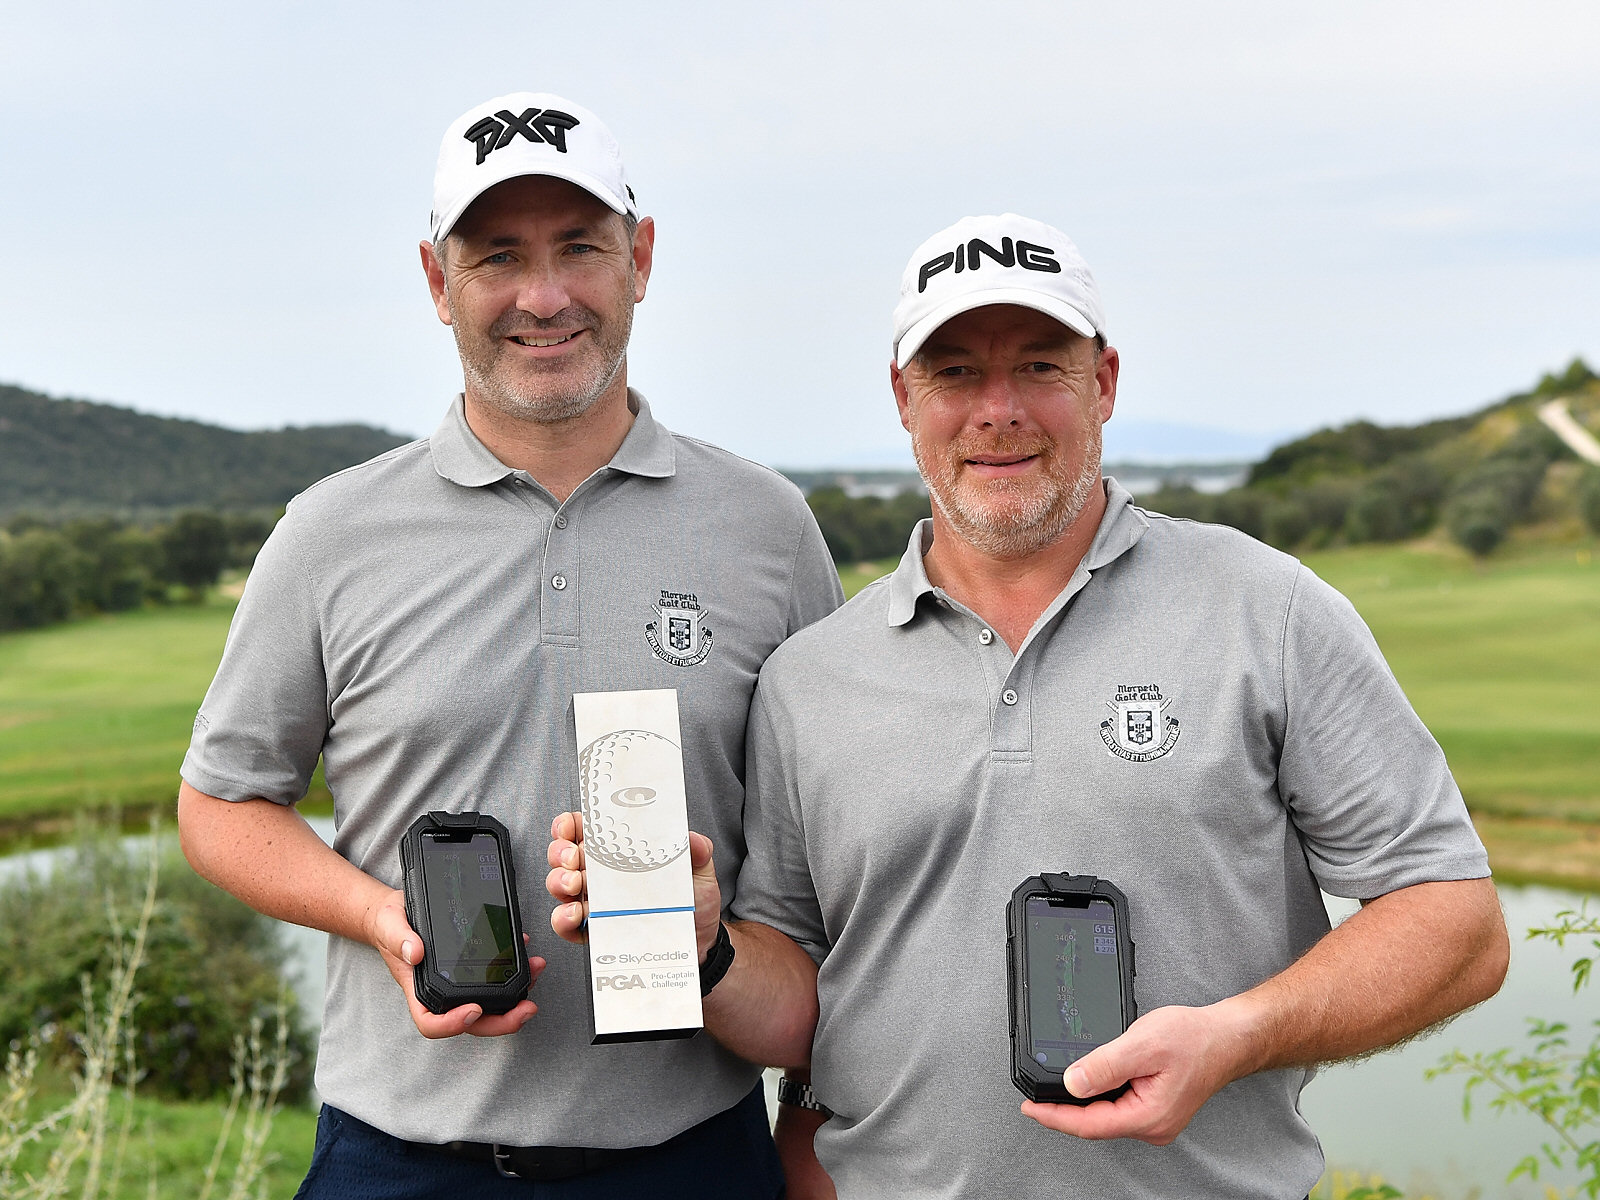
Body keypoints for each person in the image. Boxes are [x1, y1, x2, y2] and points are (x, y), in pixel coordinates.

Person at [548, 212, 1509, 1198]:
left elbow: (1457, 924)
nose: (996, 410)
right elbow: (801, 1008)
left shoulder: (1266, 610)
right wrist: (701, 946)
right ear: (901, 398)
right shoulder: (808, 679)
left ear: (1103, 382)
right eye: (954, 372)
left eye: (1041, 367)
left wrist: (1234, 1036)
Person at [176, 92, 841, 1198]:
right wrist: (380, 917)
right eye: (497, 257)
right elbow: (221, 802)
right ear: (439, 282)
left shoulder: (767, 528)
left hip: (693, 1157)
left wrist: (725, 942)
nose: (544, 296)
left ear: (642, 259)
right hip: (396, 1162)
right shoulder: (331, 533)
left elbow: (831, 865)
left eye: (580, 246)